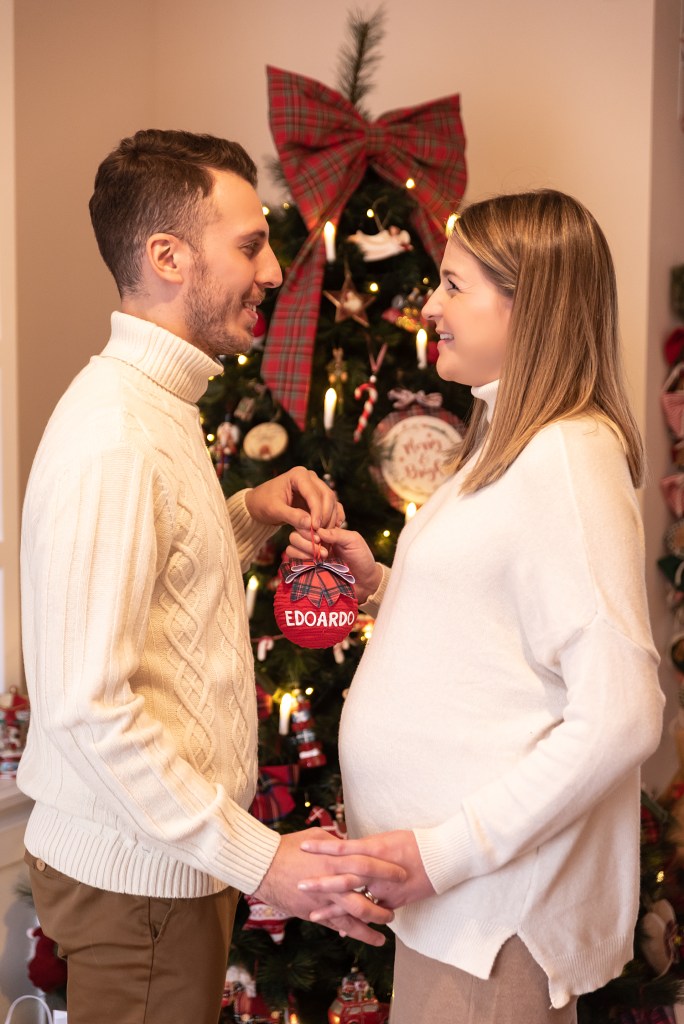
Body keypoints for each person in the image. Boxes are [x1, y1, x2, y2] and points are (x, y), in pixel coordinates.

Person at [17, 129, 405, 1024]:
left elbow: (156, 585)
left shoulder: (158, 407)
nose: (272, 271)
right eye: (249, 245)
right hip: (140, 886)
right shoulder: (117, 435)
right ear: (168, 258)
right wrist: (263, 860)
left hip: (159, 871)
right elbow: (85, 706)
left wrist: (251, 513)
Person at [291, 189, 666, 1023]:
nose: (430, 307)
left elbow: (623, 715)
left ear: (528, 306)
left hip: (493, 920)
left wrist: (443, 853)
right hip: (453, 915)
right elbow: (499, 625)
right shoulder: (506, 440)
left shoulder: (568, 457)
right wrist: (381, 583)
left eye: (454, 286)